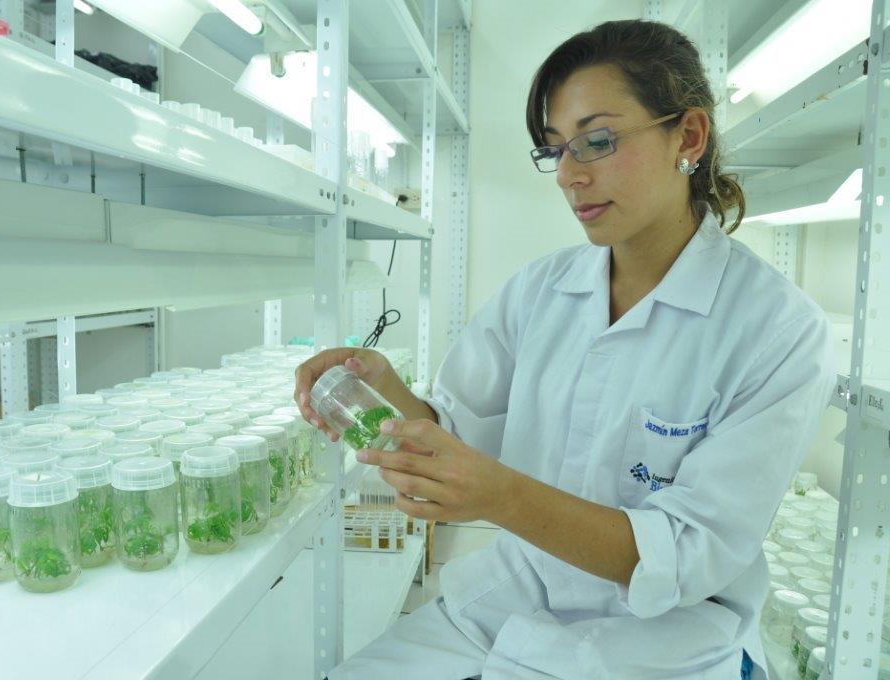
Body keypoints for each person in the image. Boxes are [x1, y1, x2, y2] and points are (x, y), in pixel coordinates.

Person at [295, 19, 835, 680]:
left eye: (598, 141)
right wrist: (389, 392)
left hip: (665, 642)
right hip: (512, 599)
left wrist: (503, 499)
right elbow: (459, 432)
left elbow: (690, 553)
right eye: (557, 150)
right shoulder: (540, 291)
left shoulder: (776, 330)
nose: (569, 176)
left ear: (687, 137)